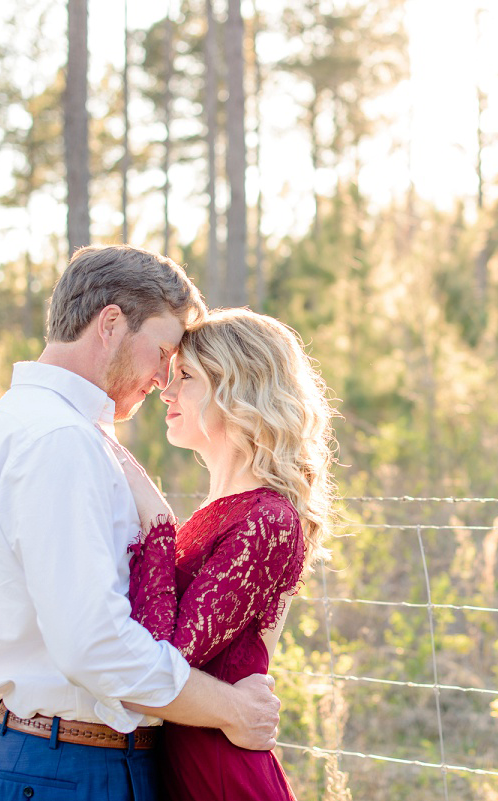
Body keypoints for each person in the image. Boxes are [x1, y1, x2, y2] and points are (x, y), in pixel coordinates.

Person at [0, 245, 282, 801]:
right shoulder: (60, 440)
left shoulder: (24, 422)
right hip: (72, 770)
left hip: (51, 758)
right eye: (165, 349)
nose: (164, 377)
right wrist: (233, 709)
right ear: (112, 324)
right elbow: (95, 646)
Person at [118, 307, 337, 801]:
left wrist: (156, 521)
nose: (167, 392)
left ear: (237, 390)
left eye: (187, 377)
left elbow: (165, 657)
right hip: (181, 759)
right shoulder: (222, 510)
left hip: (219, 775)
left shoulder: (267, 518)